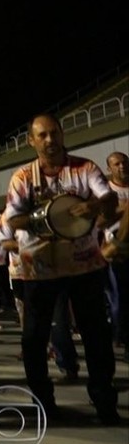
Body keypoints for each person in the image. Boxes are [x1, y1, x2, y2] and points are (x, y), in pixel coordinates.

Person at [2, 113, 119, 424]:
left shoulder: (84, 168)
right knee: (35, 337)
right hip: (39, 266)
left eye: (54, 133)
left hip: (84, 264)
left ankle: (104, 399)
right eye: (42, 135)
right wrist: (45, 217)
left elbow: (107, 197)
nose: (50, 140)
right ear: (32, 141)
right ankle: (43, 403)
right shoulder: (23, 178)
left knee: (96, 334)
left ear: (62, 134)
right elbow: (12, 219)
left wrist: (92, 206)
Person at [102, 151, 128, 363]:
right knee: (119, 300)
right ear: (109, 168)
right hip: (117, 250)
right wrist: (125, 211)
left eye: (124, 163)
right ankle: (121, 335)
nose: (122, 167)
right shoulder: (106, 192)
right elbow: (100, 222)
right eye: (116, 164)